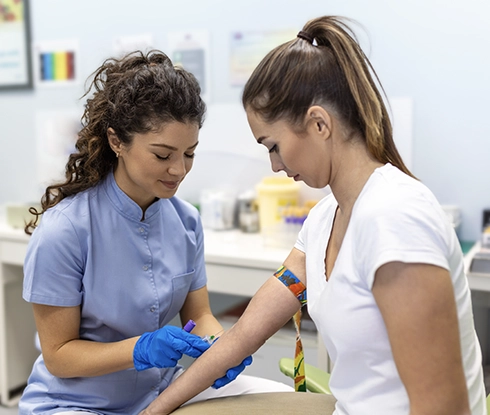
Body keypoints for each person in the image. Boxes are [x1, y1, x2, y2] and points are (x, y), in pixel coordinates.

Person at [138, 16, 487, 415]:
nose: (274, 165)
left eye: (273, 146)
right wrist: (153, 411)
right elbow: (242, 338)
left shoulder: (395, 219)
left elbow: (444, 407)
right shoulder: (324, 221)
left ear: (319, 124)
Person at [20, 50, 292, 415]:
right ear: (117, 142)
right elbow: (58, 356)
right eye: (163, 155)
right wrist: (140, 349)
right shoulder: (65, 231)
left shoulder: (186, 222)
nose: (179, 170)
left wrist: (220, 347)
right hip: (74, 404)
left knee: (277, 401)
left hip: (161, 393)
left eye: (190, 154)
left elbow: (200, 315)